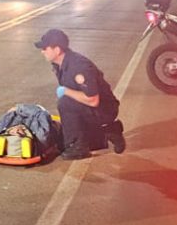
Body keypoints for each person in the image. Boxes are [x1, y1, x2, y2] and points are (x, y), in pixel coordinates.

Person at [34, 27, 126, 160]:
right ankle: (109, 131)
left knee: (65, 103)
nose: (42, 51)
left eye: (45, 48)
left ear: (57, 50)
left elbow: (93, 100)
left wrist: (66, 91)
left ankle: (78, 148)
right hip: (92, 108)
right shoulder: (61, 65)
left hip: (104, 109)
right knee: (62, 141)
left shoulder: (78, 67)